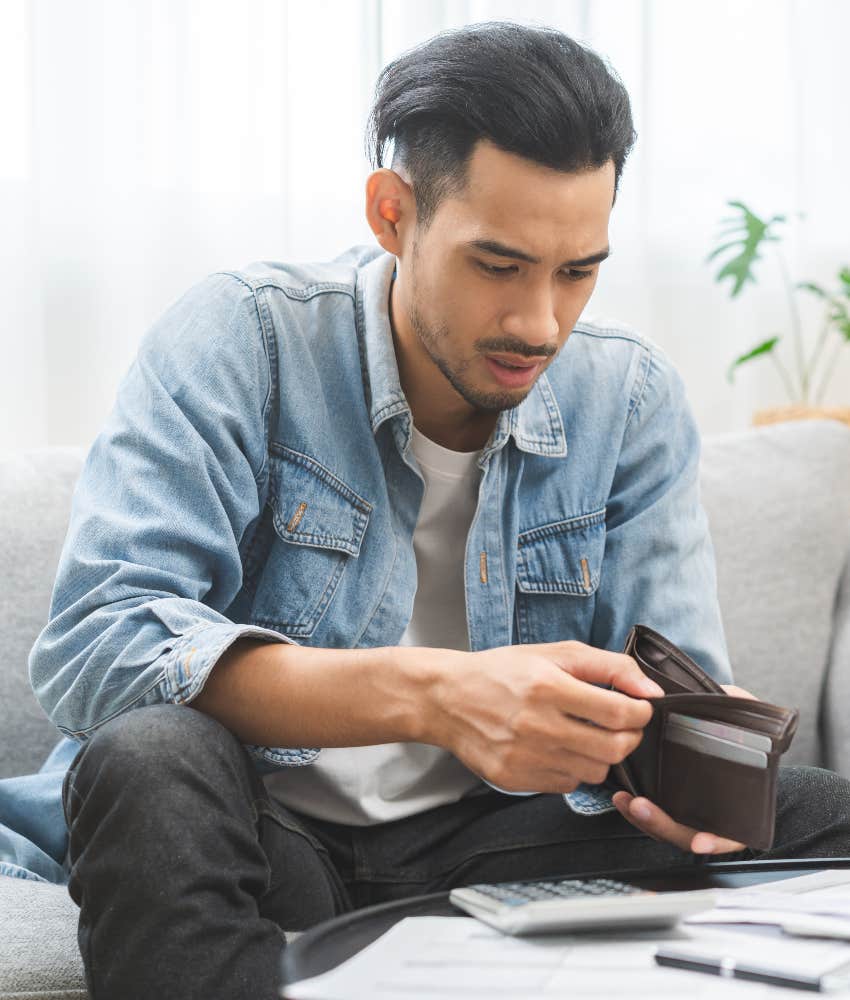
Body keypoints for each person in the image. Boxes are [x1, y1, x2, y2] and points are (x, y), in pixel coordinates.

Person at [26, 20, 850, 1000]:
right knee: (150, 756)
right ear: (393, 212)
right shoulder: (243, 337)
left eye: (577, 271)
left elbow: (676, 693)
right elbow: (97, 649)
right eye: (497, 266)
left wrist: (683, 781)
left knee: (820, 816)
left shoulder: (627, 400)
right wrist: (435, 696)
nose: (540, 322)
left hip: (495, 844)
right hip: (266, 828)